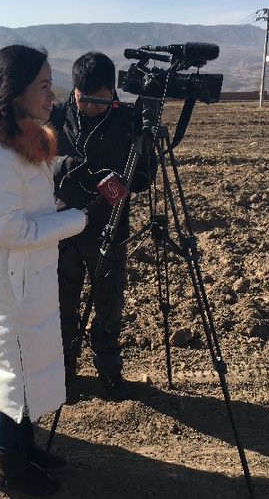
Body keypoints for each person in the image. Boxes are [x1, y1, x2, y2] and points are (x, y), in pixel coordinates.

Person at [0, 44, 86, 497]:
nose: (53, 95)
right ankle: (10, 467)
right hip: (11, 285)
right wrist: (73, 221)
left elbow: (27, 213)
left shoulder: (22, 145)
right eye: (44, 86)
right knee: (12, 373)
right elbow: (9, 230)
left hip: (27, 278)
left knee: (26, 368)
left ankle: (24, 449)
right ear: (15, 93)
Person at [50, 51, 154, 402]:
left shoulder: (127, 120)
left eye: (100, 99)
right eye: (85, 99)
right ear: (74, 90)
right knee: (61, 306)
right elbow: (34, 161)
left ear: (113, 90)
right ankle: (64, 370)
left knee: (109, 307)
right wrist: (67, 167)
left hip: (110, 230)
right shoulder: (55, 115)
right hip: (62, 228)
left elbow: (146, 175)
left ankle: (109, 370)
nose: (91, 107)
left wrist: (124, 181)